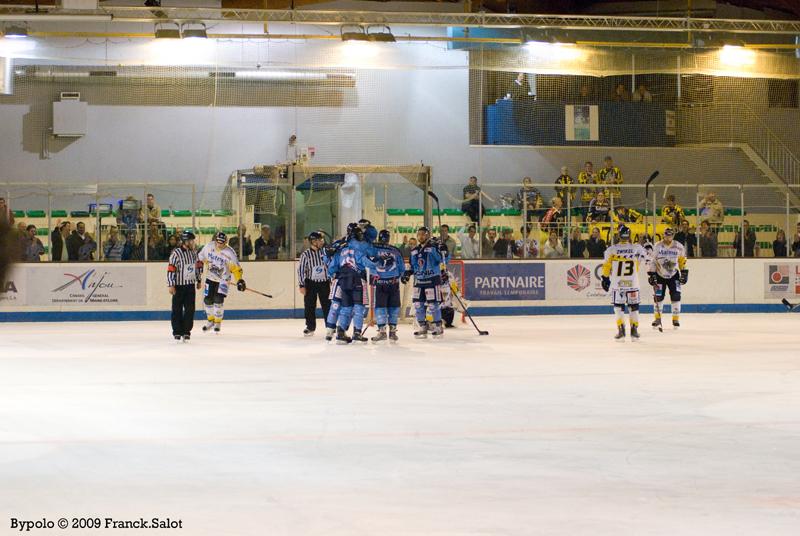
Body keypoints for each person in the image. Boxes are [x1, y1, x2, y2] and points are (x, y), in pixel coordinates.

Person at [327, 222, 377, 344]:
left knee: (345, 307)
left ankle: (340, 332)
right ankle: (357, 333)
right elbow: (368, 260)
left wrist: (331, 275)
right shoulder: (359, 247)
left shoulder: (341, 247)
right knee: (359, 307)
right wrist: (378, 263)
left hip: (343, 279)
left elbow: (332, 266)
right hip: (357, 278)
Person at [601, 224, 649, 340]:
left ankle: (621, 330)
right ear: (629, 235)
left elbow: (606, 266)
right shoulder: (637, 248)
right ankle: (634, 330)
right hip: (632, 283)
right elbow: (647, 257)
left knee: (618, 307)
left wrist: (605, 278)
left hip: (618, 284)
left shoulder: (611, 250)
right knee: (634, 307)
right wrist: (647, 245)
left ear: (619, 235)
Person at [402, 226, 447, 339]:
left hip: (432, 279)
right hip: (419, 281)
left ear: (427, 235)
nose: (421, 236)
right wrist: (407, 273)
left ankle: (438, 326)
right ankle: (422, 326)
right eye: (419, 234)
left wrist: (443, 249)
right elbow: (413, 266)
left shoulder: (433, 247)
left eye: (423, 234)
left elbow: (442, 260)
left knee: (433, 305)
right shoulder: (414, 250)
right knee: (418, 305)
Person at [198, 232, 246, 333]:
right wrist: (206, 263)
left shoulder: (230, 253)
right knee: (207, 300)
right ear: (215, 240)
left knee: (218, 299)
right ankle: (210, 320)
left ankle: (217, 322)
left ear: (226, 242)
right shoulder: (208, 247)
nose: (219, 245)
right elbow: (201, 257)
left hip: (223, 280)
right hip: (210, 278)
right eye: (218, 242)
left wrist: (239, 280)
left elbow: (236, 268)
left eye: (222, 243)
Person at [648, 228, 688, 330]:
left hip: (673, 274)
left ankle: (675, 319)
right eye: (666, 235)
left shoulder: (679, 246)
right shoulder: (657, 246)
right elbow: (652, 261)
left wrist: (684, 272)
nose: (668, 237)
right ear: (663, 235)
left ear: (673, 236)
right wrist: (652, 274)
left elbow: (682, 260)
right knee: (658, 297)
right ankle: (657, 319)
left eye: (670, 235)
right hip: (659, 275)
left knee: (676, 295)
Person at [370, 230, 405, 343]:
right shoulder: (395, 250)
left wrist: (372, 276)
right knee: (393, 308)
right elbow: (401, 267)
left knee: (381, 308)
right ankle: (392, 332)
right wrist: (402, 275)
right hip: (393, 282)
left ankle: (382, 332)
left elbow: (371, 264)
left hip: (381, 283)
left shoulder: (374, 249)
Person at [167, 230, 202, 342]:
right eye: (191, 240)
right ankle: (177, 331)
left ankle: (186, 331)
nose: (192, 242)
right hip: (179, 286)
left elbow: (196, 267)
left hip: (190, 285)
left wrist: (199, 280)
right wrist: (171, 285)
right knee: (177, 309)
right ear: (185, 241)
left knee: (190, 310)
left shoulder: (194, 253)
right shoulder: (176, 253)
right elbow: (171, 269)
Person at [298, 231, 331, 337]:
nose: (322, 242)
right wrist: (301, 285)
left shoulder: (325, 252)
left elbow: (330, 265)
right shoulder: (305, 254)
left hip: (324, 283)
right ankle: (310, 327)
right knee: (309, 306)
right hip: (311, 283)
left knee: (327, 305)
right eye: (319, 240)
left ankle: (330, 326)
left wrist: (332, 278)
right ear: (313, 241)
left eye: (322, 239)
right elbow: (301, 270)